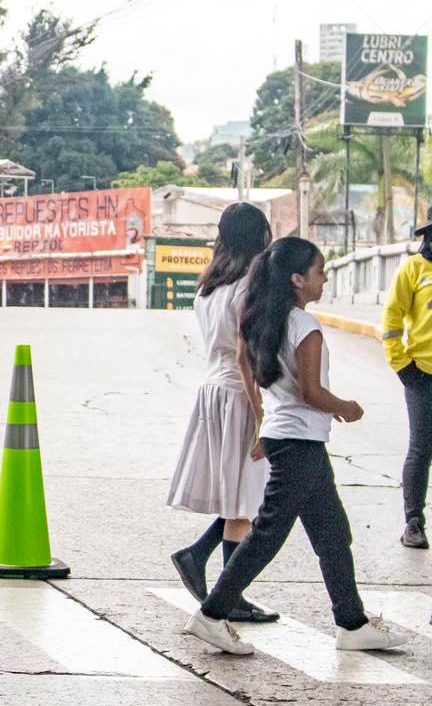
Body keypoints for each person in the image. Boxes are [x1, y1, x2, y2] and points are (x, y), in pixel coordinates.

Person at [184, 237, 413, 655]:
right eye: (319, 272)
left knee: (332, 532)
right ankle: (212, 614)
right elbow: (311, 392)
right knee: (267, 534)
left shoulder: (262, 321)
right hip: (299, 441)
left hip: (287, 436)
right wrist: (346, 407)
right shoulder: (305, 326)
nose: (324, 280)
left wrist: (263, 424)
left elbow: (254, 374)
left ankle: (352, 622)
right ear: (296, 279)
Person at [167, 203, 278, 623]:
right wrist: (261, 414)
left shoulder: (210, 284)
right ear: (261, 234)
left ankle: (199, 557)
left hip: (212, 390)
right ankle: (230, 596)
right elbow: (247, 357)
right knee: (245, 502)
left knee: (240, 495)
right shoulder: (252, 281)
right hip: (237, 394)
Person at [382, 208, 432, 549]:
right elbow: (391, 322)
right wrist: (402, 366)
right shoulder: (413, 269)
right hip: (422, 375)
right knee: (421, 448)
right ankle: (413, 523)